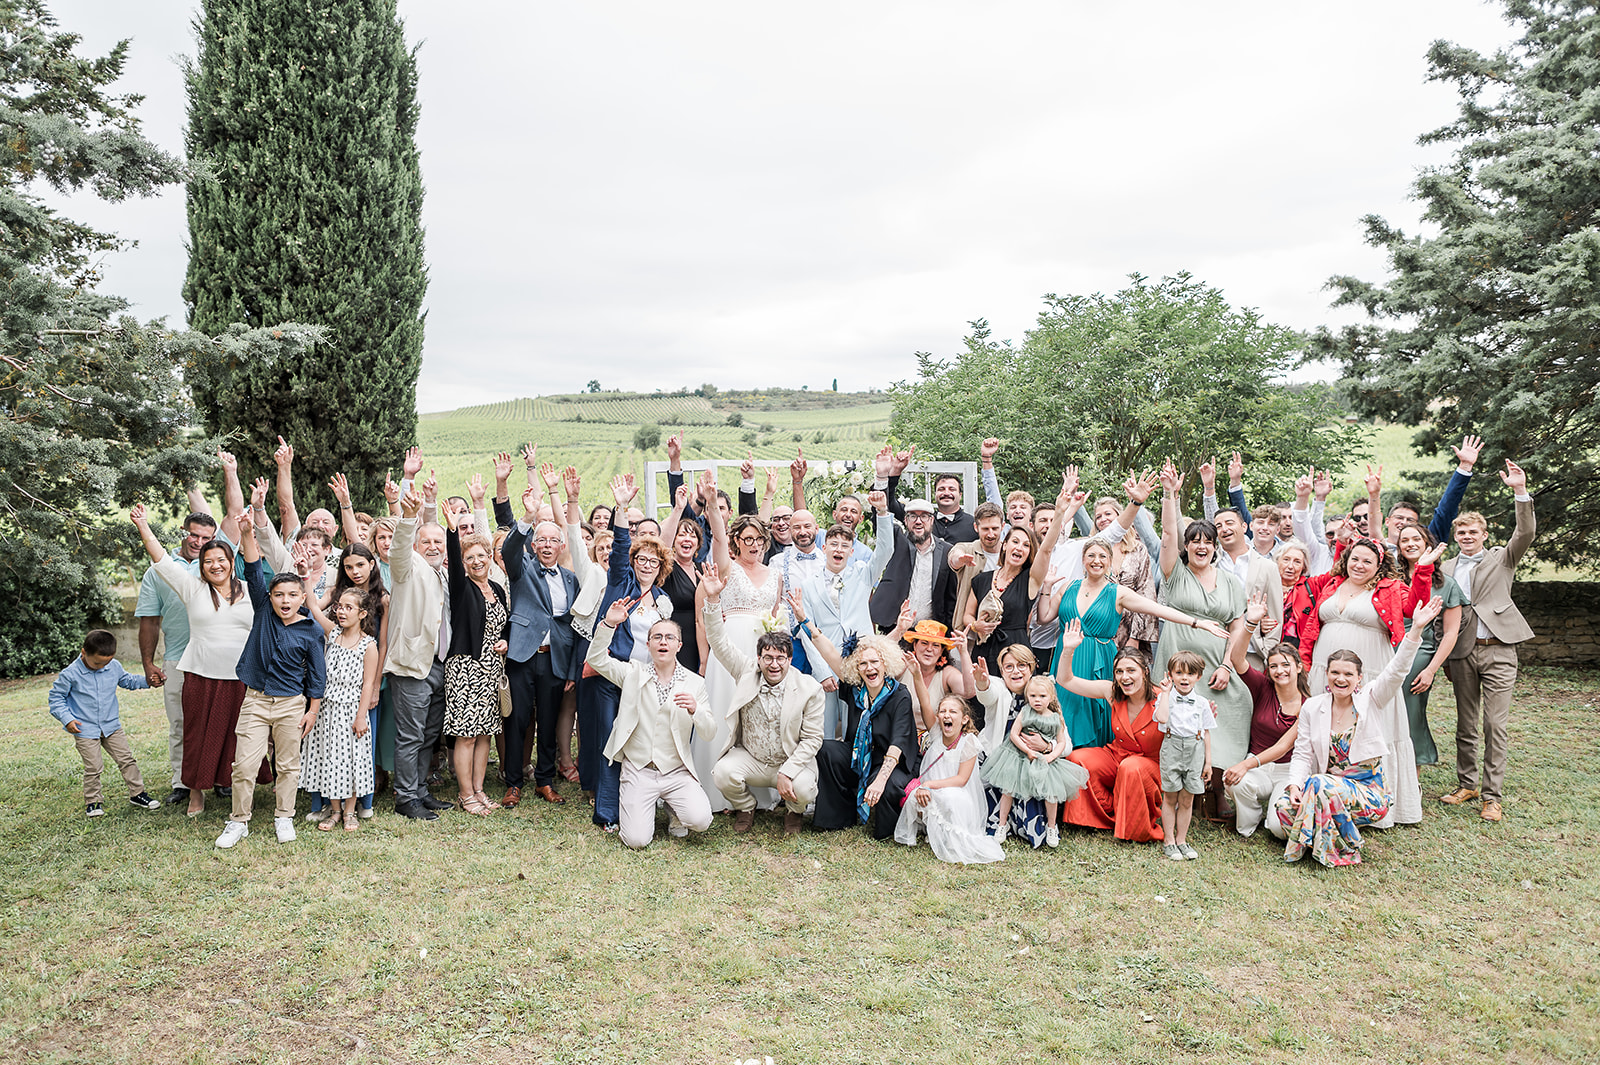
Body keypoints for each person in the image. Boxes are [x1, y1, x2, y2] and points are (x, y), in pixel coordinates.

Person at [1274, 598, 1442, 867]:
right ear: (1326, 674)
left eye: (1348, 674)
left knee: (1318, 784)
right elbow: (1303, 753)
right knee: (1284, 807)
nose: (1341, 679)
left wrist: (1415, 631)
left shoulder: (1371, 699)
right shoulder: (1313, 707)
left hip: (1368, 792)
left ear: (1359, 678)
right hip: (1328, 789)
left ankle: (1334, 852)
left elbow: (1397, 670)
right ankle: (1337, 834)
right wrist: (1294, 785)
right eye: (1335, 673)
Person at [1300, 536, 1437, 826]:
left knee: (1370, 726)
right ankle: (1318, 792)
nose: (1359, 565)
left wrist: (1423, 570)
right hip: (1327, 666)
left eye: (1367, 561)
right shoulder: (1332, 583)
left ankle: (1369, 802)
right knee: (1324, 725)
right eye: (1354, 559)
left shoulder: (1389, 588)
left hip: (1371, 668)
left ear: (1379, 565)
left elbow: (1415, 606)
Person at [131, 503, 255, 819]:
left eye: (221, 560)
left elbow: (253, 558)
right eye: (208, 561)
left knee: (235, 734)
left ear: (231, 563)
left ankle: (231, 788)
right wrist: (143, 525)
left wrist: (247, 531)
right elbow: (160, 559)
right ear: (201, 565)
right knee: (195, 732)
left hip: (238, 675)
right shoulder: (192, 588)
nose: (215, 565)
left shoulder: (248, 592)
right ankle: (195, 794)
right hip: (199, 673)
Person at [1049, 532, 1226, 752]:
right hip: (1066, 655)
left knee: (1097, 716)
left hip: (1100, 659)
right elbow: (1043, 617)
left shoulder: (1118, 593)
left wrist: (1197, 623)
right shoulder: (1068, 587)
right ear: (1083, 560)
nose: (1097, 560)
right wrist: (1047, 588)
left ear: (1110, 562)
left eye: (1103, 556)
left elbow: (1158, 609)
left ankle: (1091, 771)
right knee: (1063, 712)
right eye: (1091, 555)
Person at [215, 516, 327, 849]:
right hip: (256, 700)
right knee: (244, 765)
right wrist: (248, 532)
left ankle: (284, 816)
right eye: (279, 594)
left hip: (292, 704)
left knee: (288, 765)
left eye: (293, 594)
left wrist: (312, 710)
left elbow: (317, 676)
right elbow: (251, 567)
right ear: (271, 596)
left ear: (302, 598)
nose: (285, 600)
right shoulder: (263, 609)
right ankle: (238, 821)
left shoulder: (311, 631)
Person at [1439, 460, 1536, 824]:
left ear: (1483, 534)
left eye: (1472, 532)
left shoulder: (1502, 558)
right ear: (1456, 536)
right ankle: (1467, 784)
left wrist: (1519, 491)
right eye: (1461, 532)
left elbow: (1524, 533)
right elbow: (1441, 614)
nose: (1466, 537)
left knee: (1495, 725)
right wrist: (1446, 658)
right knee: (1466, 723)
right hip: (1462, 652)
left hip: (1500, 650)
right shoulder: (1446, 569)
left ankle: (1493, 797)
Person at [702, 566, 825, 834]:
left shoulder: (809, 689)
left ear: (790, 660)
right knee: (722, 773)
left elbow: (813, 739)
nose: (774, 664)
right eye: (768, 657)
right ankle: (745, 806)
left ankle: (794, 811)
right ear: (758, 658)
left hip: (789, 759)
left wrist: (788, 771)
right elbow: (718, 641)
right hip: (752, 758)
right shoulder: (746, 672)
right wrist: (712, 601)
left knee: (805, 789)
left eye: (781, 658)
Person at [585, 596, 714, 849]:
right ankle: (644, 805)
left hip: (676, 771)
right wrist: (608, 625)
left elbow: (709, 732)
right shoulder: (633, 673)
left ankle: (674, 807)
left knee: (701, 820)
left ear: (679, 644)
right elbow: (597, 660)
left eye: (669, 638)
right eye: (657, 637)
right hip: (639, 769)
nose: (663, 642)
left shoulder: (695, 683)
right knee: (636, 840)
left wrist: (696, 710)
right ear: (648, 644)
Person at [588, 474, 677, 831]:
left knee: (645, 742)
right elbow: (622, 542)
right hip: (616, 676)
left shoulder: (664, 602)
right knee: (612, 740)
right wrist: (621, 508)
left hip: (649, 682)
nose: (646, 564)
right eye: (641, 558)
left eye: (653, 561)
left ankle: (645, 803)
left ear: (660, 568)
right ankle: (607, 813)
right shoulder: (619, 583)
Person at [1154, 462, 1252, 777]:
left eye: (1208, 541)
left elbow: (1237, 625)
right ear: (1187, 545)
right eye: (1195, 540)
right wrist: (1171, 494)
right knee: (1176, 721)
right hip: (1176, 659)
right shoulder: (1175, 573)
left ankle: (1219, 778)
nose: (1201, 546)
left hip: (1215, 664)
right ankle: (1177, 782)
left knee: (1234, 705)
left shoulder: (1230, 581)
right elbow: (1169, 532)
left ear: (1215, 546)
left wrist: (1226, 665)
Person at [698, 490, 784, 812]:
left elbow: (776, 616)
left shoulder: (775, 575)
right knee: (725, 710)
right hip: (730, 646)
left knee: (758, 717)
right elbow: (717, 539)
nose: (754, 544)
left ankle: (757, 792)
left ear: (765, 541)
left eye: (759, 539)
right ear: (737, 542)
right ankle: (717, 789)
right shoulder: (728, 568)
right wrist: (711, 503)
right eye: (747, 539)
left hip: (763, 651)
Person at [495, 482, 580, 809]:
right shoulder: (521, 569)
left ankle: (544, 780)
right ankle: (513, 782)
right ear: (534, 544)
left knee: (548, 720)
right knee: (516, 720)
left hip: (554, 659)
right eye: (541, 539)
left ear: (561, 546)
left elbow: (572, 627)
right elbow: (508, 550)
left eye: (552, 540)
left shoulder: (570, 580)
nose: (546, 544)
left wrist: (571, 668)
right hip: (521, 655)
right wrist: (529, 517)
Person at [794, 493, 896, 739]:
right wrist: (823, 672)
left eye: (844, 546)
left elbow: (886, 549)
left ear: (851, 552)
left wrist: (882, 512)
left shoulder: (862, 574)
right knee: (824, 732)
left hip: (862, 664)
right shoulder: (809, 585)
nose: (838, 550)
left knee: (858, 728)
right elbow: (808, 632)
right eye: (834, 544)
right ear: (824, 548)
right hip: (827, 665)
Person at [1055, 620, 1166, 843]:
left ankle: (1135, 826)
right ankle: (1108, 816)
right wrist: (1068, 650)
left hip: (1149, 765)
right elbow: (1065, 680)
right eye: (1119, 671)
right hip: (1116, 755)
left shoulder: (1163, 697)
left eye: (1131, 670)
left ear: (1145, 671)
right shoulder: (1112, 692)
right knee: (1078, 758)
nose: (1125, 677)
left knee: (1131, 767)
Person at [385, 478, 456, 822]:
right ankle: (405, 796)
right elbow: (398, 549)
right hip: (413, 664)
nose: (432, 546)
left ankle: (422, 790)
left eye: (437, 541)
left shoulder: (446, 574)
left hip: (442, 664)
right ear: (416, 544)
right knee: (410, 734)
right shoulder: (407, 568)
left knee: (429, 733)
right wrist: (409, 517)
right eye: (425, 541)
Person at [805, 628, 917, 839]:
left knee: (888, 787)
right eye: (863, 663)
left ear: (885, 664)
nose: (869, 668)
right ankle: (838, 817)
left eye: (875, 662)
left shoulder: (899, 695)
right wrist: (805, 621)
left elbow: (898, 742)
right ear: (857, 669)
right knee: (827, 749)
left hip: (892, 760)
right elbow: (830, 654)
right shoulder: (856, 689)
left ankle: (886, 830)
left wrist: (879, 781)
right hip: (860, 755)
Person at [440, 503, 510, 816]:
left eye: (482, 555)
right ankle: (466, 794)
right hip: (466, 668)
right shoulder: (461, 586)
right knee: (466, 735)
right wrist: (453, 530)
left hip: (493, 669)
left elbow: (504, 624)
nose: (476, 561)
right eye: (470, 558)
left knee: (485, 734)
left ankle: (480, 790)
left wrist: (506, 642)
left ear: (489, 558)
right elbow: (454, 561)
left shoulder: (497, 588)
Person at [48, 629, 163, 817]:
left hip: (111, 726)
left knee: (126, 760)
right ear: (84, 652)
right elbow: (56, 698)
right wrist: (67, 719)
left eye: (106, 663)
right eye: (97, 663)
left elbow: (127, 680)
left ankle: (138, 794)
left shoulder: (114, 666)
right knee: (93, 767)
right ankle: (93, 802)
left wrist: (148, 681)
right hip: (84, 729)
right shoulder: (70, 674)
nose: (102, 667)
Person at [1221, 597, 1305, 839]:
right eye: (1274, 666)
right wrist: (1250, 623)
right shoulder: (1263, 687)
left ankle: (1273, 818)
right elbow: (1237, 660)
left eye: (1286, 665)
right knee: (1234, 781)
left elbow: (1283, 747)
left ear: (1298, 667)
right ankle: (1251, 818)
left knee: (1279, 831)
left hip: (1288, 771)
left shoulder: (1309, 705)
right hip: (1259, 766)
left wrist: (1244, 764)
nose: (1280, 671)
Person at [300, 587, 380, 832]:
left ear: (362, 613)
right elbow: (314, 608)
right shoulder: (332, 634)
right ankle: (334, 810)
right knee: (330, 759)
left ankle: (350, 811)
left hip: (351, 711)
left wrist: (360, 717)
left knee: (352, 760)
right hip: (327, 711)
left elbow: (368, 684)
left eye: (348, 607)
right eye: (339, 606)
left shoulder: (368, 645)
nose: (341, 611)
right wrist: (306, 575)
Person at [894, 695, 1005, 864]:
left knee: (950, 798)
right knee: (913, 798)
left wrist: (930, 785)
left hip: (957, 792)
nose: (947, 715)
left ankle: (947, 835)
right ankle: (930, 830)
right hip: (931, 790)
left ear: (964, 719)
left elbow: (961, 780)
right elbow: (925, 702)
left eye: (953, 711)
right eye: (943, 711)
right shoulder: (937, 735)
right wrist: (917, 674)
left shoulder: (968, 742)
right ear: (938, 717)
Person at [981, 676, 1088, 849]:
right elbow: (1014, 734)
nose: (1037, 700)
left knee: (1051, 793)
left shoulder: (1056, 717)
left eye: (1042, 696)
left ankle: (1051, 826)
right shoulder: (1025, 711)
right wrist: (1028, 750)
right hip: (1018, 756)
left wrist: (1051, 756)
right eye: (1032, 696)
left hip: (1044, 758)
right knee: (1008, 789)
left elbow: (1061, 742)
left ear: (1051, 697)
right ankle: (1002, 823)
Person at [1395, 525, 1466, 772]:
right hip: (1386, 648)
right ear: (1399, 546)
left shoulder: (1447, 584)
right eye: (1405, 540)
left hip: (1419, 654)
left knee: (1411, 712)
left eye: (1417, 538)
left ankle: (1412, 775)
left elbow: (1450, 632)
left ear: (1428, 544)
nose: (1411, 543)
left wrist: (1431, 670)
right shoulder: (1390, 578)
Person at [972, 645, 1054, 845]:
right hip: (996, 761)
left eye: (1021, 665)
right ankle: (1000, 822)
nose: (1015, 671)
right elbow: (988, 694)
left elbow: (1064, 740)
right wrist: (982, 683)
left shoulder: (1042, 693)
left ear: (1032, 667)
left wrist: (1046, 746)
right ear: (1001, 672)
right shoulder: (999, 688)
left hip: (1029, 763)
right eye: (1009, 667)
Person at [1152, 651, 1216, 861]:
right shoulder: (1164, 697)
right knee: (1170, 796)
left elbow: (1206, 731)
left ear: (1198, 677)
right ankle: (1169, 840)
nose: (1184, 678)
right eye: (1179, 673)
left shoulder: (1202, 703)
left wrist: (1208, 762)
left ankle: (1182, 839)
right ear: (1171, 675)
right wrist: (1165, 693)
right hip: (1172, 747)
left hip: (1195, 750)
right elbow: (1161, 718)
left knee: (1187, 798)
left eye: (1191, 674)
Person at [962, 525, 1042, 674]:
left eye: (1026, 545)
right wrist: (975, 626)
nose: (1019, 548)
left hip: (1016, 651)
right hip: (984, 648)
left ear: (1030, 552)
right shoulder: (981, 580)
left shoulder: (1030, 580)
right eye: (1015, 541)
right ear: (1005, 545)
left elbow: (1046, 550)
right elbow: (967, 615)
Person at [870, 499, 958, 632]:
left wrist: (947, 632)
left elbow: (950, 598)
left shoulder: (946, 551)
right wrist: (880, 501)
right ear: (906, 520)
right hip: (894, 628)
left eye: (924, 516)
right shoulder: (895, 542)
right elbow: (881, 525)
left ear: (931, 520)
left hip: (929, 633)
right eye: (913, 516)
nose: (918, 521)